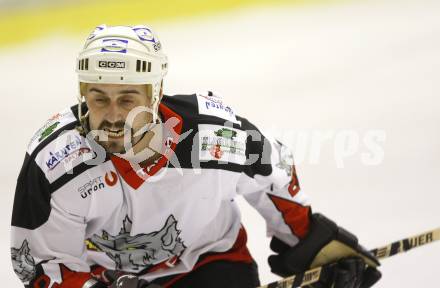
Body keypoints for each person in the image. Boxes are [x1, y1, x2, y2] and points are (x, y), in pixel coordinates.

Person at [11, 25, 381, 288]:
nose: (112, 115)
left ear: (155, 95)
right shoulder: (54, 164)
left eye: (127, 99)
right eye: (99, 98)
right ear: (82, 94)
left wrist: (310, 244)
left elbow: (272, 175)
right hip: (106, 278)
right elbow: (45, 267)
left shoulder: (213, 137)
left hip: (212, 265)